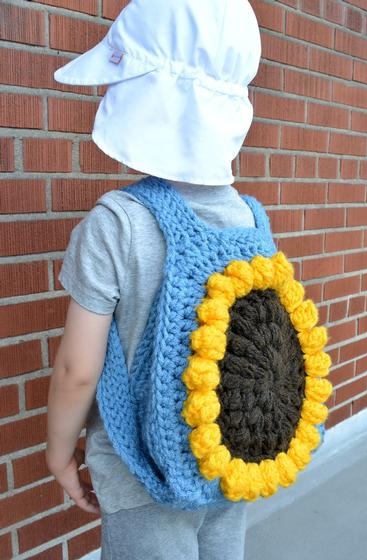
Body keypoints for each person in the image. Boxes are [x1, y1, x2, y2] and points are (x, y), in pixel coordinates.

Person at [46, 1, 266, 558]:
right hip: (228, 449)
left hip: (140, 470)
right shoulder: (252, 220)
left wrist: (57, 450)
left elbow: (77, 368)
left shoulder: (116, 222)